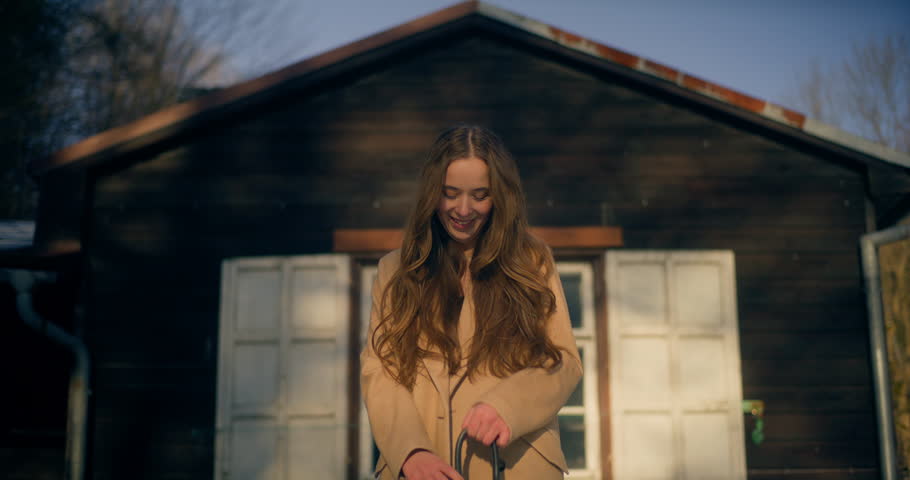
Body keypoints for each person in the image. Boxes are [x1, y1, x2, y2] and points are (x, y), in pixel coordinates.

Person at [361, 125, 582, 479]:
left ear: (500, 196)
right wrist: (410, 451)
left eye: (480, 195)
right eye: (450, 194)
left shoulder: (533, 260)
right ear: (432, 193)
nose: (463, 209)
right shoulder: (395, 270)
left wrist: (508, 406)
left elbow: (564, 362)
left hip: (516, 466)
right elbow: (380, 370)